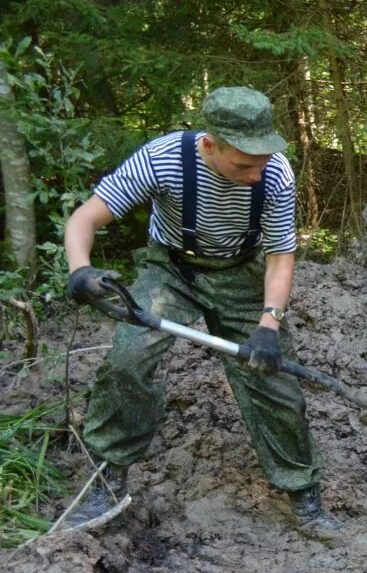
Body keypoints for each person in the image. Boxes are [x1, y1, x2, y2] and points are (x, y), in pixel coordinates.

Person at [59, 87, 339, 539]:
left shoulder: (276, 174)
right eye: (243, 164)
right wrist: (80, 270)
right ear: (210, 144)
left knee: (275, 382)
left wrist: (269, 323)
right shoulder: (163, 158)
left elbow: (280, 256)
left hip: (240, 272)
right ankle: (106, 483)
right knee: (128, 360)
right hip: (172, 270)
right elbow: (84, 219)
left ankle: (304, 497)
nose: (256, 172)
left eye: (263, 160)